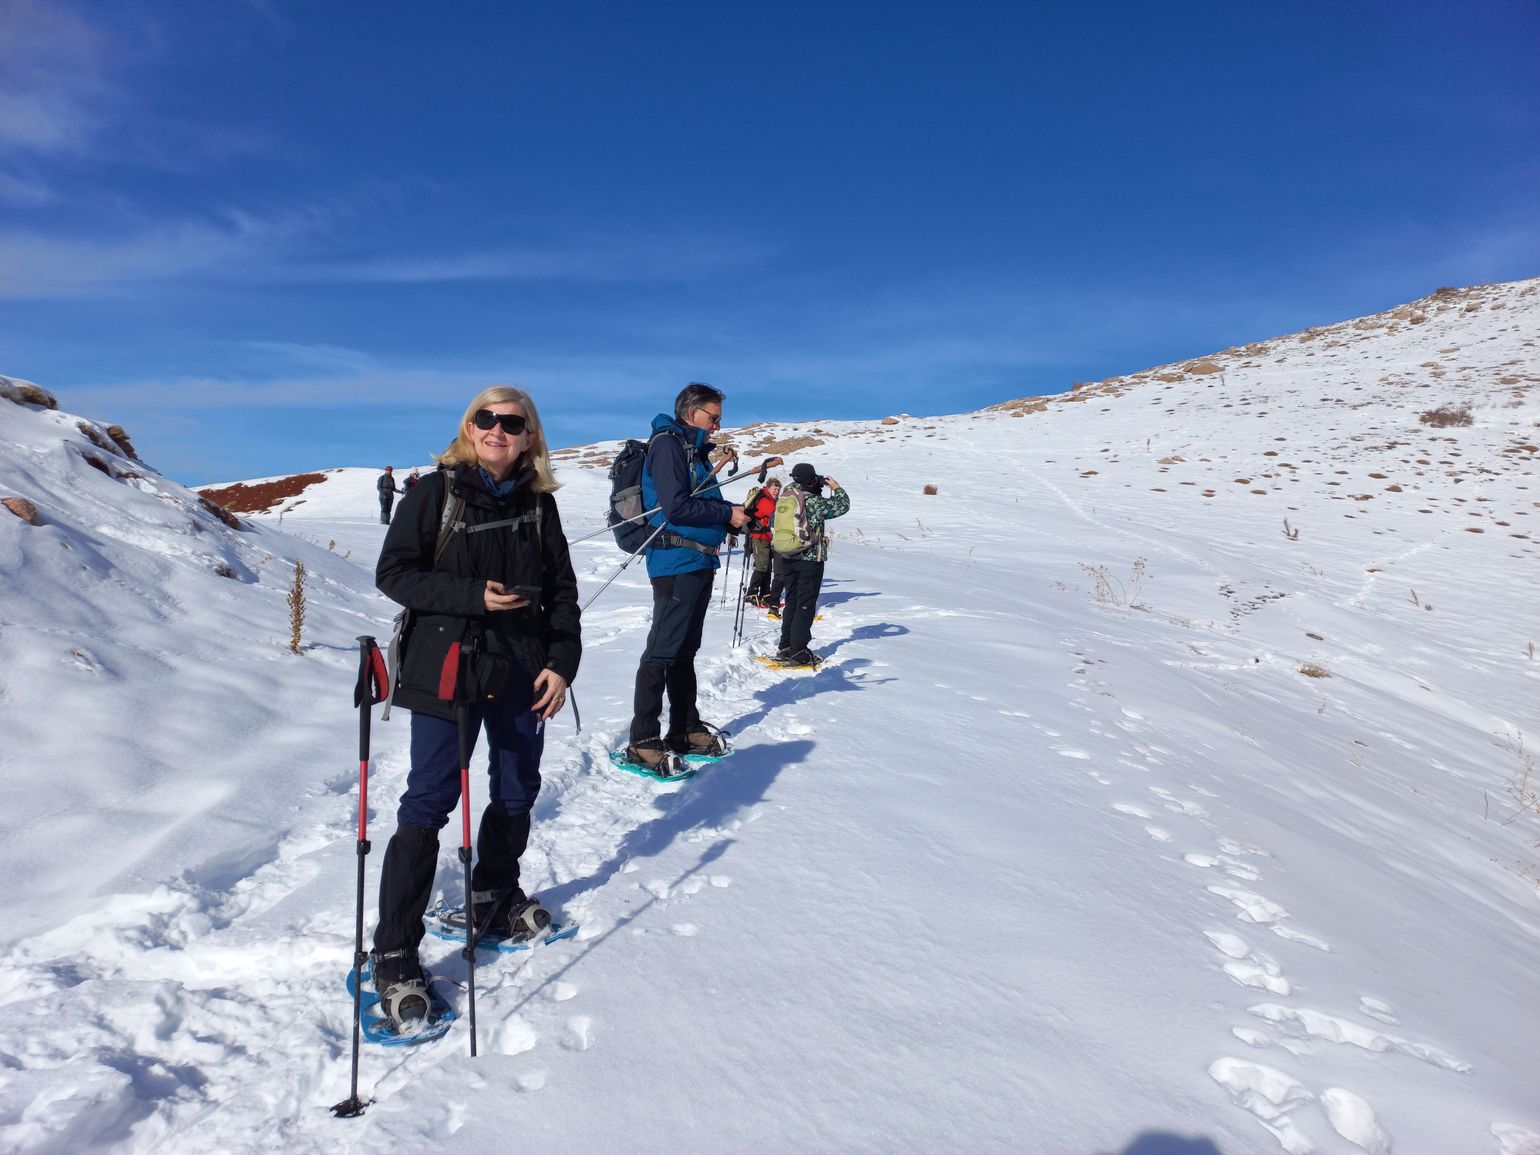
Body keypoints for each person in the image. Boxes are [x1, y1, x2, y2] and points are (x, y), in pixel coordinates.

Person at [370, 386, 581, 1027]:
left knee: (517, 788)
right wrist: (471, 596)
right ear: (468, 427)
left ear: (529, 437)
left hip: (522, 668)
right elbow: (395, 573)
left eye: (512, 422)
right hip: (447, 665)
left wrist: (561, 663)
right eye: (485, 418)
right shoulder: (433, 494)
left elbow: (563, 593)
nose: (497, 429)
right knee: (430, 800)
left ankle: (492, 889)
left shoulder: (540, 507)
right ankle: (395, 951)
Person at [624, 382, 749, 774]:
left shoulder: (692, 450)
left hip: (697, 563)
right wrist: (726, 514)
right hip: (675, 563)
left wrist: (730, 514)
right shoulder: (668, 444)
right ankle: (643, 739)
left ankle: (683, 728)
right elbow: (676, 507)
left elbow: (697, 503)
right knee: (662, 651)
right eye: (712, 418)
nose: (716, 426)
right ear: (690, 412)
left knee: (683, 651)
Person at [775, 462, 849, 667]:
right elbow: (842, 506)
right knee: (805, 605)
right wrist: (836, 488)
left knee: (791, 601)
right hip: (809, 559)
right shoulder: (814, 501)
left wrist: (810, 482)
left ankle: (785, 647)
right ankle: (799, 652)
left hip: (787, 556)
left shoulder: (787, 496)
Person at [743, 476, 783, 609]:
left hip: (766, 537)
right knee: (762, 566)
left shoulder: (771, 499)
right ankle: (751, 593)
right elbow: (776, 513)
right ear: (768, 488)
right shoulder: (765, 500)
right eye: (774, 489)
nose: (776, 491)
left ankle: (765, 594)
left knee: (767, 567)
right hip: (759, 537)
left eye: (778, 489)